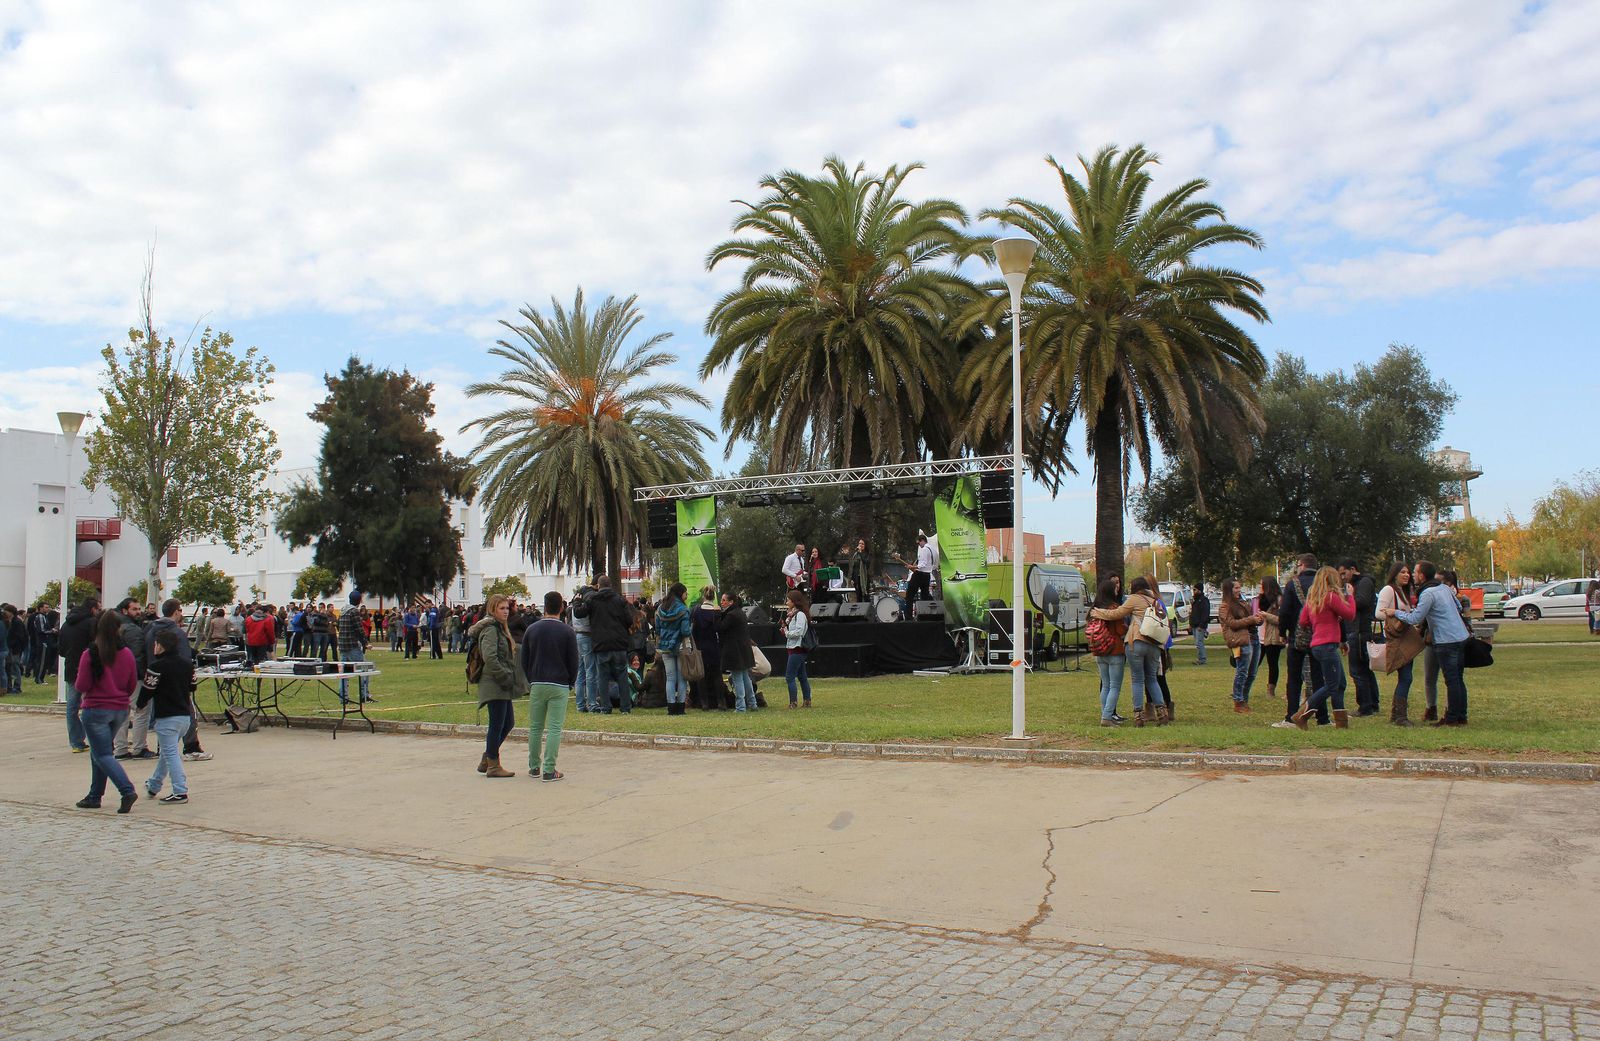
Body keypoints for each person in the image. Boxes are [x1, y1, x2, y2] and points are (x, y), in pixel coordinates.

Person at [1384, 560, 1472, 727]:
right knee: (1458, 679)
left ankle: (1451, 718)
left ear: (1422, 576)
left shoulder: (1428, 593)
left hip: (1446, 640)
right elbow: (1459, 606)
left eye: (1415, 572)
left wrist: (1395, 612)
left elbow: (1415, 618)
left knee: (1451, 680)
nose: (1412, 575)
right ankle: (1461, 715)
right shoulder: (1444, 588)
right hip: (1460, 636)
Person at [73, 611, 141, 812]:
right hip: (119, 708)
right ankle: (95, 795)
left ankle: (126, 790)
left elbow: (82, 684)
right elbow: (131, 684)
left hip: (96, 709)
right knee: (99, 752)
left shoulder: (91, 653)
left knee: (102, 754)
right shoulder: (127, 653)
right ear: (119, 629)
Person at [1088, 577, 1168, 725]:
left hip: (1136, 641)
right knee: (1152, 678)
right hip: (1155, 643)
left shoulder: (1134, 599)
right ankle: (1162, 713)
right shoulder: (1156, 601)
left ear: (1135, 588)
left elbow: (1116, 614)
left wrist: (1097, 613)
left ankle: (1138, 716)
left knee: (1137, 679)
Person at [519, 591, 579, 782]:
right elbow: (574, 661)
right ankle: (549, 769)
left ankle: (534, 766)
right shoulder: (568, 632)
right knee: (554, 728)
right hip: (559, 683)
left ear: (544, 607)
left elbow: (524, 658)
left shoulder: (532, 629)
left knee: (535, 727)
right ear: (562, 607)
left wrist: (531, 678)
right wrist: (571, 681)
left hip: (537, 681)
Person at [137, 627, 196, 804]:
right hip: (184, 716)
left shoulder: (156, 667)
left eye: (156, 644)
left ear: (161, 646)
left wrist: (139, 705)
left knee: (170, 754)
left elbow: (147, 690)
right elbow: (192, 686)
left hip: (167, 716)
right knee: (167, 751)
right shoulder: (187, 664)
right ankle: (154, 784)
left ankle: (180, 790)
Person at [1291, 567, 1355, 729]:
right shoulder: (1331, 597)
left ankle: (1341, 722)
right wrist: (1351, 597)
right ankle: (1302, 715)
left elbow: (1304, 621)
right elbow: (1350, 614)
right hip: (1327, 646)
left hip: (1317, 645)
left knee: (1340, 683)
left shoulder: (1312, 599)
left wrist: (1323, 619)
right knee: (1332, 685)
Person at [470, 594, 523, 777]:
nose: (506, 612)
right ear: (493, 609)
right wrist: (505, 676)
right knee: (497, 724)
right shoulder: (491, 629)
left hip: (501, 682)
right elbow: (490, 657)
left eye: (507, 608)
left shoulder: (500, 628)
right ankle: (493, 764)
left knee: (508, 722)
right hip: (494, 682)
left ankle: (488, 758)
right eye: (502, 608)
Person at [1275, 554, 1328, 729]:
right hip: (1320, 636)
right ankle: (1322, 717)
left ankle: (1291, 716)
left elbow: (1285, 612)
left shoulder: (1293, 584)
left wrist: (1282, 632)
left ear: (1302, 566)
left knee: (1294, 678)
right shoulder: (1323, 584)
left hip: (1297, 637)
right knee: (1318, 677)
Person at [572, 576, 635, 715]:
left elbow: (579, 613)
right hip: (619, 643)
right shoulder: (619, 599)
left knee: (603, 676)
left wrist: (576, 601)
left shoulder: (592, 599)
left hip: (601, 643)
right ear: (611, 585)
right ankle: (625, 707)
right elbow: (629, 620)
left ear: (598, 586)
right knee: (622, 676)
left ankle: (606, 707)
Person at [111, 598, 154, 761]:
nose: (138, 612)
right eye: (134, 609)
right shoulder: (132, 630)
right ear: (124, 610)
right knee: (141, 710)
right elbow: (138, 656)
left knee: (123, 712)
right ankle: (139, 747)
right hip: (134, 677)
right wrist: (143, 675)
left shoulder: (114, 627)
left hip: (117, 676)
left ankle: (121, 748)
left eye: (139, 608)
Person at [1376, 562, 1417, 727]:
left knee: (1406, 676)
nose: (1406, 575)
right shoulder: (1389, 590)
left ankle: (1397, 713)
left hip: (1406, 638)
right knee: (1406, 677)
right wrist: (1395, 614)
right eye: (1402, 572)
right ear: (1394, 574)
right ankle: (1400, 715)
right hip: (1396, 638)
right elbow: (1378, 613)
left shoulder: (1404, 592)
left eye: (1408, 572)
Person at [58, 597, 101, 752]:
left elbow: (61, 650)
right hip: (90, 668)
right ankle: (97, 739)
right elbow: (97, 646)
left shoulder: (66, 624)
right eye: (98, 608)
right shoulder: (91, 623)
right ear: (92, 609)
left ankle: (76, 742)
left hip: (71, 667)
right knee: (93, 704)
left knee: (72, 706)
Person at [1339, 558, 1380, 717]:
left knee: (1357, 670)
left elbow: (1361, 602)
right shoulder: (1360, 583)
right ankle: (1372, 702)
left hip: (1359, 631)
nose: (1343, 577)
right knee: (1365, 669)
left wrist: (1348, 596)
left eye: (1344, 573)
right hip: (1357, 630)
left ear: (1353, 569)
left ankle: (1365, 706)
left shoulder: (1364, 583)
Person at [1087, 579, 1128, 726]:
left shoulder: (1094, 610)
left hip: (1099, 651)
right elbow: (1120, 630)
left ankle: (1105, 714)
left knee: (1105, 685)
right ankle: (1107, 716)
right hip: (1115, 650)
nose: (1118, 588)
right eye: (1115, 587)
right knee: (1115, 686)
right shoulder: (1114, 608)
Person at [1218, 579, 1262, 713]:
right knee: (1242, 671)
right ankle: (1238, 700)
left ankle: (1245, 699)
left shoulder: (1242, 603)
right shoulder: (1224, 606)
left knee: (1252, 674)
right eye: (1236, 588)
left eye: (1239, 588)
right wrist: (1251, 619)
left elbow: (1249, 620)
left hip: (1253, 638)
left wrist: (1258, 620)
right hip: (1240, 641)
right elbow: (1232, 623)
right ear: (1228, 590)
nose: (1239, 590)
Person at [716, 592, 758, 712]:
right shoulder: (739, 612)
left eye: (724, 600)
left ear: (731, 602)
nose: (721, 602)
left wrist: (716, 615)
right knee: (745, 678)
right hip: (743, 649)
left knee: (737, 678)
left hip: (735, 651)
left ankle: (740, 707)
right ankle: (752, 703)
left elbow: (720, 627)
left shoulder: (731, 615)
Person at [654, 584, 692, 716]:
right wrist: (692, 627)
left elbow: (657, 629)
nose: (686, 596)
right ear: (680, 593)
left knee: (670, 678)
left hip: (665, 647)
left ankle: (671, 707)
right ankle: (681, 707)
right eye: (685, 593)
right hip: (680, 646)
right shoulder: (683, 609)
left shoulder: (660, 608)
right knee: (682, 678)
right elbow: (685, 631)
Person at [691, 586, 727, 710]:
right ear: (714, 597)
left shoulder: (696, 611)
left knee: (702, 675)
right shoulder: (717, 612)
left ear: (703, 596)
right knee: (717, 675)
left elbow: (694, 631)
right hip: (714, 646)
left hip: (701, 646)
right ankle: (721, 702)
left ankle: (704, 703)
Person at [338, 591, 373, 705]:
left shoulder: (343, 610)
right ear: (358, 600)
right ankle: (364, 695)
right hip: (352, 645)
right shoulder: (354, 612)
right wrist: (365, 643)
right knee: (364, 669)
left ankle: (343, 698)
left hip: (343, 645)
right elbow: (359, 629)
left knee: (344, 673)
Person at [783, 588, 812, 708]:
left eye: (788, 600)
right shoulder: (792, 615)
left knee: (789, 676)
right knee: (802, 676)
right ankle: (807, 700)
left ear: (795, 601)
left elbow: (799, 632)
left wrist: (787, 633)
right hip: (793, 648)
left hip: (798, 649)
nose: (786, 603)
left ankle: (793, 702)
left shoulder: (800, 615)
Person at [1256, 576, 1284, 700]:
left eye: (1261, 585)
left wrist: (1267, 615)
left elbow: (1282, 620)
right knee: (1254, 663)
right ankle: (1242, 688)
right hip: (1259, 636)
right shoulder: (1260, 600)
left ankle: (1270, 690)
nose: (1259, 587)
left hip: (1273, 637)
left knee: (1272, 664)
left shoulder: (1279, 600)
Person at [569, 585, 596, 712]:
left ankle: (580, 704)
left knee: (580, 672)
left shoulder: (575, 605)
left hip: (577, 635)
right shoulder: (584, 605)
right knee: (590, 670)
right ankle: (591, 703)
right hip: (586, 635)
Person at [901, 534, 936, 620]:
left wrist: (912, 567)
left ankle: (909, 617)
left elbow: (922, 565)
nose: (919, 545)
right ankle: (924, 617)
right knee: (924, 596)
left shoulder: (924, 549)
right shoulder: (933, 550)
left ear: (922, 541)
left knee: (909, 595)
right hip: (927, 575)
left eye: (918, 543)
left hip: (920, 575)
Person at [1189, 583, 1211, 665]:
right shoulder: (1195, 601)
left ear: (1199, 590)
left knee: (1199, 642)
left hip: (1199, 626)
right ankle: (1200, 658)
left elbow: (1205, 614)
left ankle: (1202, 659)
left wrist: (1201, 625)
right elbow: (1193, 613)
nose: (1193, 591)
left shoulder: (1203, 600)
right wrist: (1191, 624)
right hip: (1194, 625)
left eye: (1195, 590)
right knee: (1197, 643)